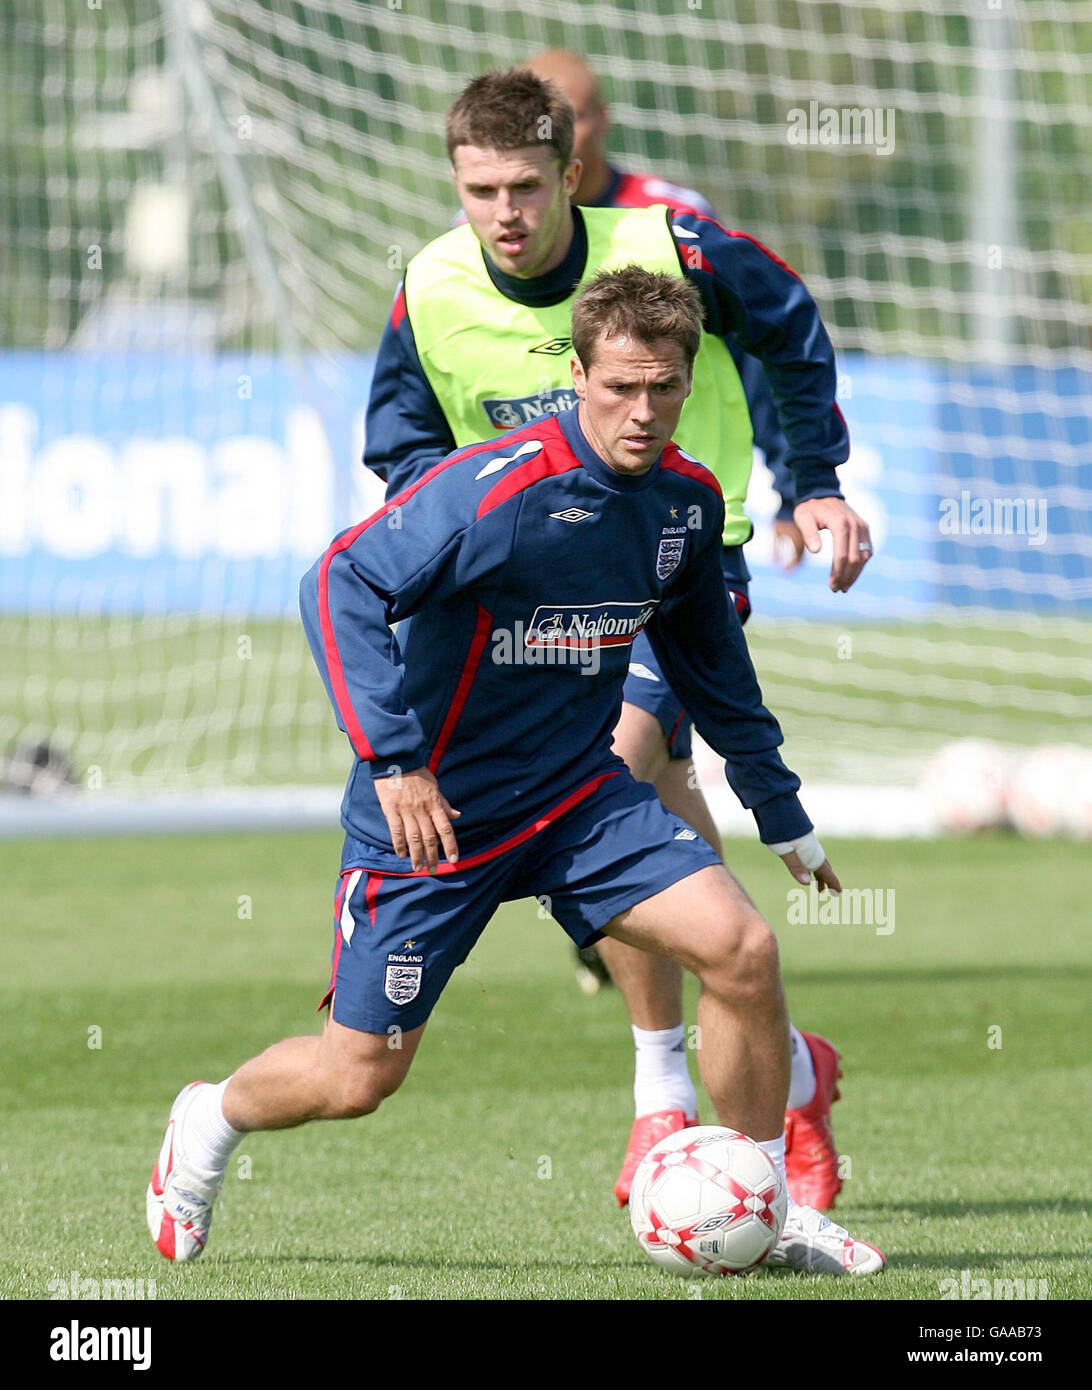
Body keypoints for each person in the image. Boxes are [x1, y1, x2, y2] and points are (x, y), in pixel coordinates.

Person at [145, 267, 885, 1276]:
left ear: (688, 378)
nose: (642, 410)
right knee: (358, 1076)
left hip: (579, 800)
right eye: (619, 387)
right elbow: (339, 580)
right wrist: (396, 761)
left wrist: (781, 809)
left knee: (743, 950)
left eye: (663, 387)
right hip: (435, 821)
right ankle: (208, 1117)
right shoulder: (498, 489)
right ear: (574, 373)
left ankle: (768, 1207)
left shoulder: (683, 502)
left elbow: (713, 660)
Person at [363, 69, 873, 1207]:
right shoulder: (431, 287)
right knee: (652, 796)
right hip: (524, 586)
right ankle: (790, 1067)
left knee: (611, 766)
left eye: (527, 186)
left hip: (684, 555)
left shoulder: (669, 247)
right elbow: (399, 440)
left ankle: (661, 1102)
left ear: (571, 176)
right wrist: (457, 533)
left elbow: (789, 322)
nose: (505, 211)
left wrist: (816, 482)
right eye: (480, 190)